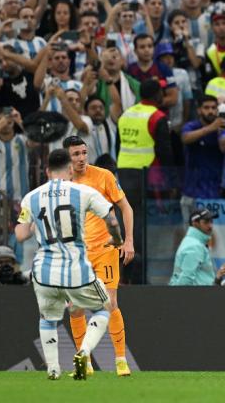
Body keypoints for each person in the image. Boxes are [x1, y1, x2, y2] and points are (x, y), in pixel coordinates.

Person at [15, 148, 123, 380]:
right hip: (76, 268)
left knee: (48, 319)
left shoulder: (31, 198)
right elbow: (112, 219)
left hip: (43, 271)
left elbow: (21, 234)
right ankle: (84, 351)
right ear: (70, 170)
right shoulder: (83, 192)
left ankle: (53, 369)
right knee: (104, 308)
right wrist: (118, 238)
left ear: (47, 171)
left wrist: (33, 223)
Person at [62, 136, 135, 378]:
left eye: (84, 152)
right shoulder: (61, 182)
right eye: (76, 154)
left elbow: (126, 207)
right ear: (66, 157)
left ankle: (120, 360)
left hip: (105, 248)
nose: (81, 158)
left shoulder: (104, 176)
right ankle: (85, 361)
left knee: (110, 303)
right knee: (74, 307)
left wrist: (129, 241)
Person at [169, 208, 217, 286]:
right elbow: (186, 280)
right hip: (196, 296)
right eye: (206, 222)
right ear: (195, 223)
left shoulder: (194, 242)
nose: (210, 226)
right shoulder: (195, 246)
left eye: (211, 222)